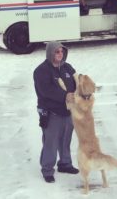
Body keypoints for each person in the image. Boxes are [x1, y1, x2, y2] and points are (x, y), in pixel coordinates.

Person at [33, 41, 79, 183]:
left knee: (66, 139)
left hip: (68, 110)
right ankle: (47, 170)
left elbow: (76, 81)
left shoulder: (67, 67)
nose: (60, 54)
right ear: (50, 53)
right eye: (57, 52)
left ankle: (65, 164)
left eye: (61, 51)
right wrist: (64, 95)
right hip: (51, 111)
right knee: (50, 142)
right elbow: (45, 91)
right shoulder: (41, 71)